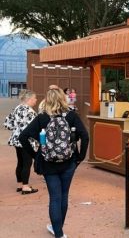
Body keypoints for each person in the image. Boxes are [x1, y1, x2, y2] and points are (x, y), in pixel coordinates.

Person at [19, 88, 89, 238]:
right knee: (64, 195)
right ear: (63, 99)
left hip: (48, 162)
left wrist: (36, 155)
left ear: (48, 101)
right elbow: (85, 136)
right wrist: (80, 157)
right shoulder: (72, 116)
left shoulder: (42, 118)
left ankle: (58, 233)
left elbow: (23, 137)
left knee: (55, 197)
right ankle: (58, 229)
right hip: (69, 161)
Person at [3, 90, 38, 194]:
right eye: (35, 98)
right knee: (27, 163)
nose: (36, 100)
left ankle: (20, 184)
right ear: (29, 99)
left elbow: (7, 123)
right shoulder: (29, 111)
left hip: (17, 139)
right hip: (26, 140)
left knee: (20, 162)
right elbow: (34, 128)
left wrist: (17, 129)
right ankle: (25, 187)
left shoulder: (17, 108)